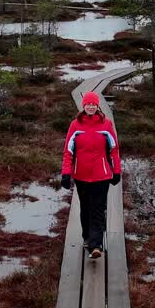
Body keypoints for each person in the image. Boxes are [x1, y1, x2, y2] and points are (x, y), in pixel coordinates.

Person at [60, 90, 122, 259]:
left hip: (101, 176)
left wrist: (116, 171)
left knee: (98, 209)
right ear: (84, 106)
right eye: (88, 104)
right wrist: (66, 173)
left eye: (94, 104)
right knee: (85, 209)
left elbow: (114, 151)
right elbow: (68, 151)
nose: (91, 107)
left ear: (97, 106)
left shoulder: (106, 125)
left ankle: (96, 245)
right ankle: (87, 238)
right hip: (81, 176)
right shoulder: (75, 125)